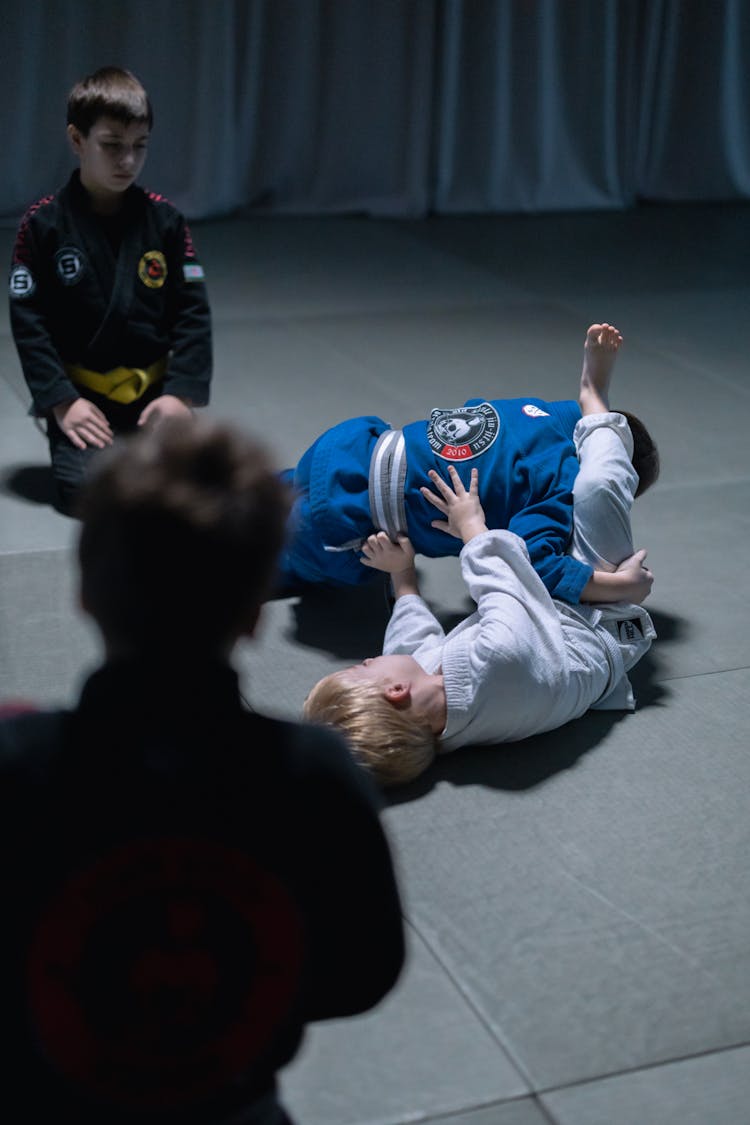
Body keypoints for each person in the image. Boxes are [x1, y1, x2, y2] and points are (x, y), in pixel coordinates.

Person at [0, 418, 404, 1124]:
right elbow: (363, 970)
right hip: (230, 1092)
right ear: (255, 613)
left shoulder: (18, 766)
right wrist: (237, 999)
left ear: (85, 592)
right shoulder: (312, 776)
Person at [304, 324, 657, 786]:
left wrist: (403, 576)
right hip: (601, 621)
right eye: (360, 669)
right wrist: (473, 527)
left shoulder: (425, 711)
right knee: (595, 484)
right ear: (393, 690)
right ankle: (596, 399)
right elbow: (514, 580)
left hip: (544, 622)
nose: (365, 660)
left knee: (550, 518)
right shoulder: (496, 662)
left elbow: (409, 645)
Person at [277, 325, 658, 606]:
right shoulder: (562, 482)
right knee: (266, 559)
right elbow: (536, 564)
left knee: (277, 489)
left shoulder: (540, 410)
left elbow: (477, 412)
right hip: (346, 521)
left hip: (349, 445)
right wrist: (618, 586)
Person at [8, 66, 212, 515]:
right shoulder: (42, 225)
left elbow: (193, 314)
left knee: (199, 481)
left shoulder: (166, 222)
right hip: (85, 397)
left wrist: (179, 396)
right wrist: (62, 403)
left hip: (152, 397)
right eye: (112, 146)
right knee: (86, 493)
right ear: (77, 140)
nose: (127, 161)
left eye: (139, 147)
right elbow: (29, 323)